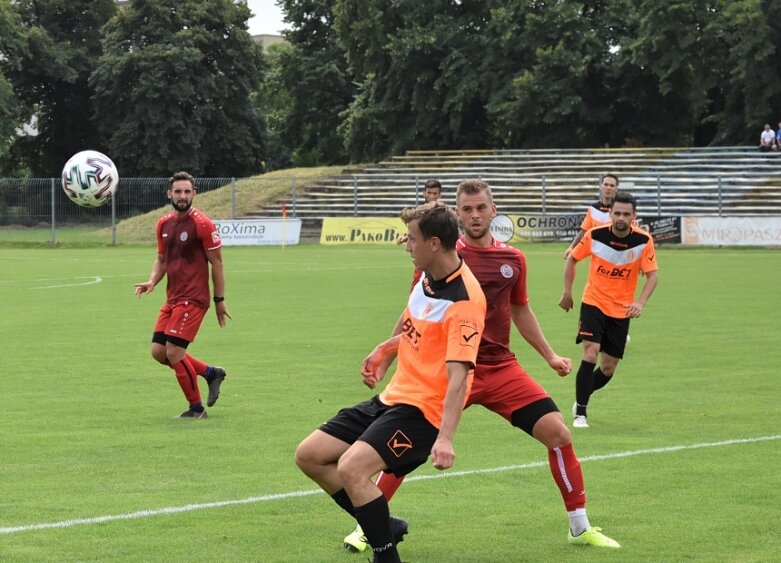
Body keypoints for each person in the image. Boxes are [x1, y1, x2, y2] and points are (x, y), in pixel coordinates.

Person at [342, 179, 620, 554]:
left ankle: (579, 525)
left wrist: (550, 355)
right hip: (450, 372)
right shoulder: (437, 254)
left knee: (558, 433)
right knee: (398, 447)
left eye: (481, 208)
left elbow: (520, 310)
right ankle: (370, 526)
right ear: (457, 214)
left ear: (493, 209)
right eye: (467, 209)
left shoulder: (513, 259)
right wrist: (390, 352)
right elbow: (415, 311)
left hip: (500, 368)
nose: (474, 215)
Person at [295, 201, 486, 563]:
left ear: (433, 243)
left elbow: (460, 376)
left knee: (352, 468)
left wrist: (445, 438)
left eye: (411, 239)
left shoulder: (465, 300)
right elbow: (417, 326)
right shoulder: (427, 278)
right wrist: (386, 348)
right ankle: (385, 524)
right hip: (393, 398)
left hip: (422, 412)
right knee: (310, 455)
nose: (405, 244)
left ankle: (386, 556)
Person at [134, 171, 230, 419]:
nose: (183, 196)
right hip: (173, 299)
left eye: (187, 191)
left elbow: (217, 264)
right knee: (158, 351)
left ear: (194, 194)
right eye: (178, 191)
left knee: (174, 352)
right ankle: (210, 373)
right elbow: (162, 259)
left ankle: (196, 409)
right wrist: (152, 280)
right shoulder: (163, 224)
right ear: (169, 194)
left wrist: (219, 300)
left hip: (194, 298)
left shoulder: (202, 224)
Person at [559, 191, 658, 429]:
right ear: (610, 213)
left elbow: (653, 275)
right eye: (617, 213)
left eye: (626, 214)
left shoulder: (644, 240)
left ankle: (583, 395)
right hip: (593, 302)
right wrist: (567, 292)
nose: (621, 218)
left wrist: (640, 303)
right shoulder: (595, 235)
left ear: (634, 216)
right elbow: (572, 259)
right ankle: (580, 413)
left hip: (622, 310)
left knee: (608, 367)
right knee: (590, 353)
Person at [563, 174, 620, 260]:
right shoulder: (593, 209)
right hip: (597, 258)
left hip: (619, 257)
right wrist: (571, 247)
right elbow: (583, 232)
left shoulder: (622, 209)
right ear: (601, 187)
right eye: (606, 184)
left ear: (616, 189)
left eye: (612, 185)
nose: (608, 188)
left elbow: (633, 233)